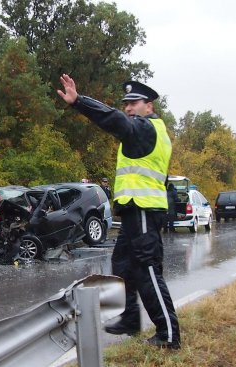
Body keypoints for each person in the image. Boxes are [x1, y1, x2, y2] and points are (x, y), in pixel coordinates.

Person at [57, 74, 180, 349]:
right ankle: (131, 318)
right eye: (126, 103)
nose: (127, 108)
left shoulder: (146, 128)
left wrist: (79, 102)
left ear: (149, 105)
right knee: (123, 263)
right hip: (136, 210)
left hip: (145, 209)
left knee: (147, 269)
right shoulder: (146, 131)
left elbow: (113, 119)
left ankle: (169, 335)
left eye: (133, 103)